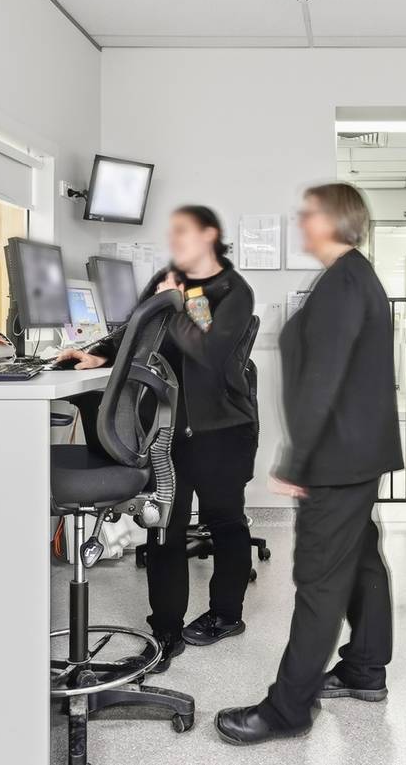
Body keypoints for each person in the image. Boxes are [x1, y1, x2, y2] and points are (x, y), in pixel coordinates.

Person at [216, 183, 403, 745]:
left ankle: (287, 709)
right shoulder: (350, 276)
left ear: (331, 220)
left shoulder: (344, 283)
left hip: (337, 458)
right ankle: (365, 667)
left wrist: (295, 460)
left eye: (308, 214)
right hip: (356, 453)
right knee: (361, 559)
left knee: (318, 579)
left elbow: (324, 378)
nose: (301, 221)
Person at [58, 205, 258, 671]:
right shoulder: (168, 280)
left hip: (220, 428)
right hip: (166, 429)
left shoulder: (234, 291)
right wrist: (99, 355)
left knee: (225, 521)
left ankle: (227, 615)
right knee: (165, 526)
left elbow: (208, 351)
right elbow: (133, 331)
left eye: (185, 233)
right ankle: (165, 629)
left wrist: (184, 301)